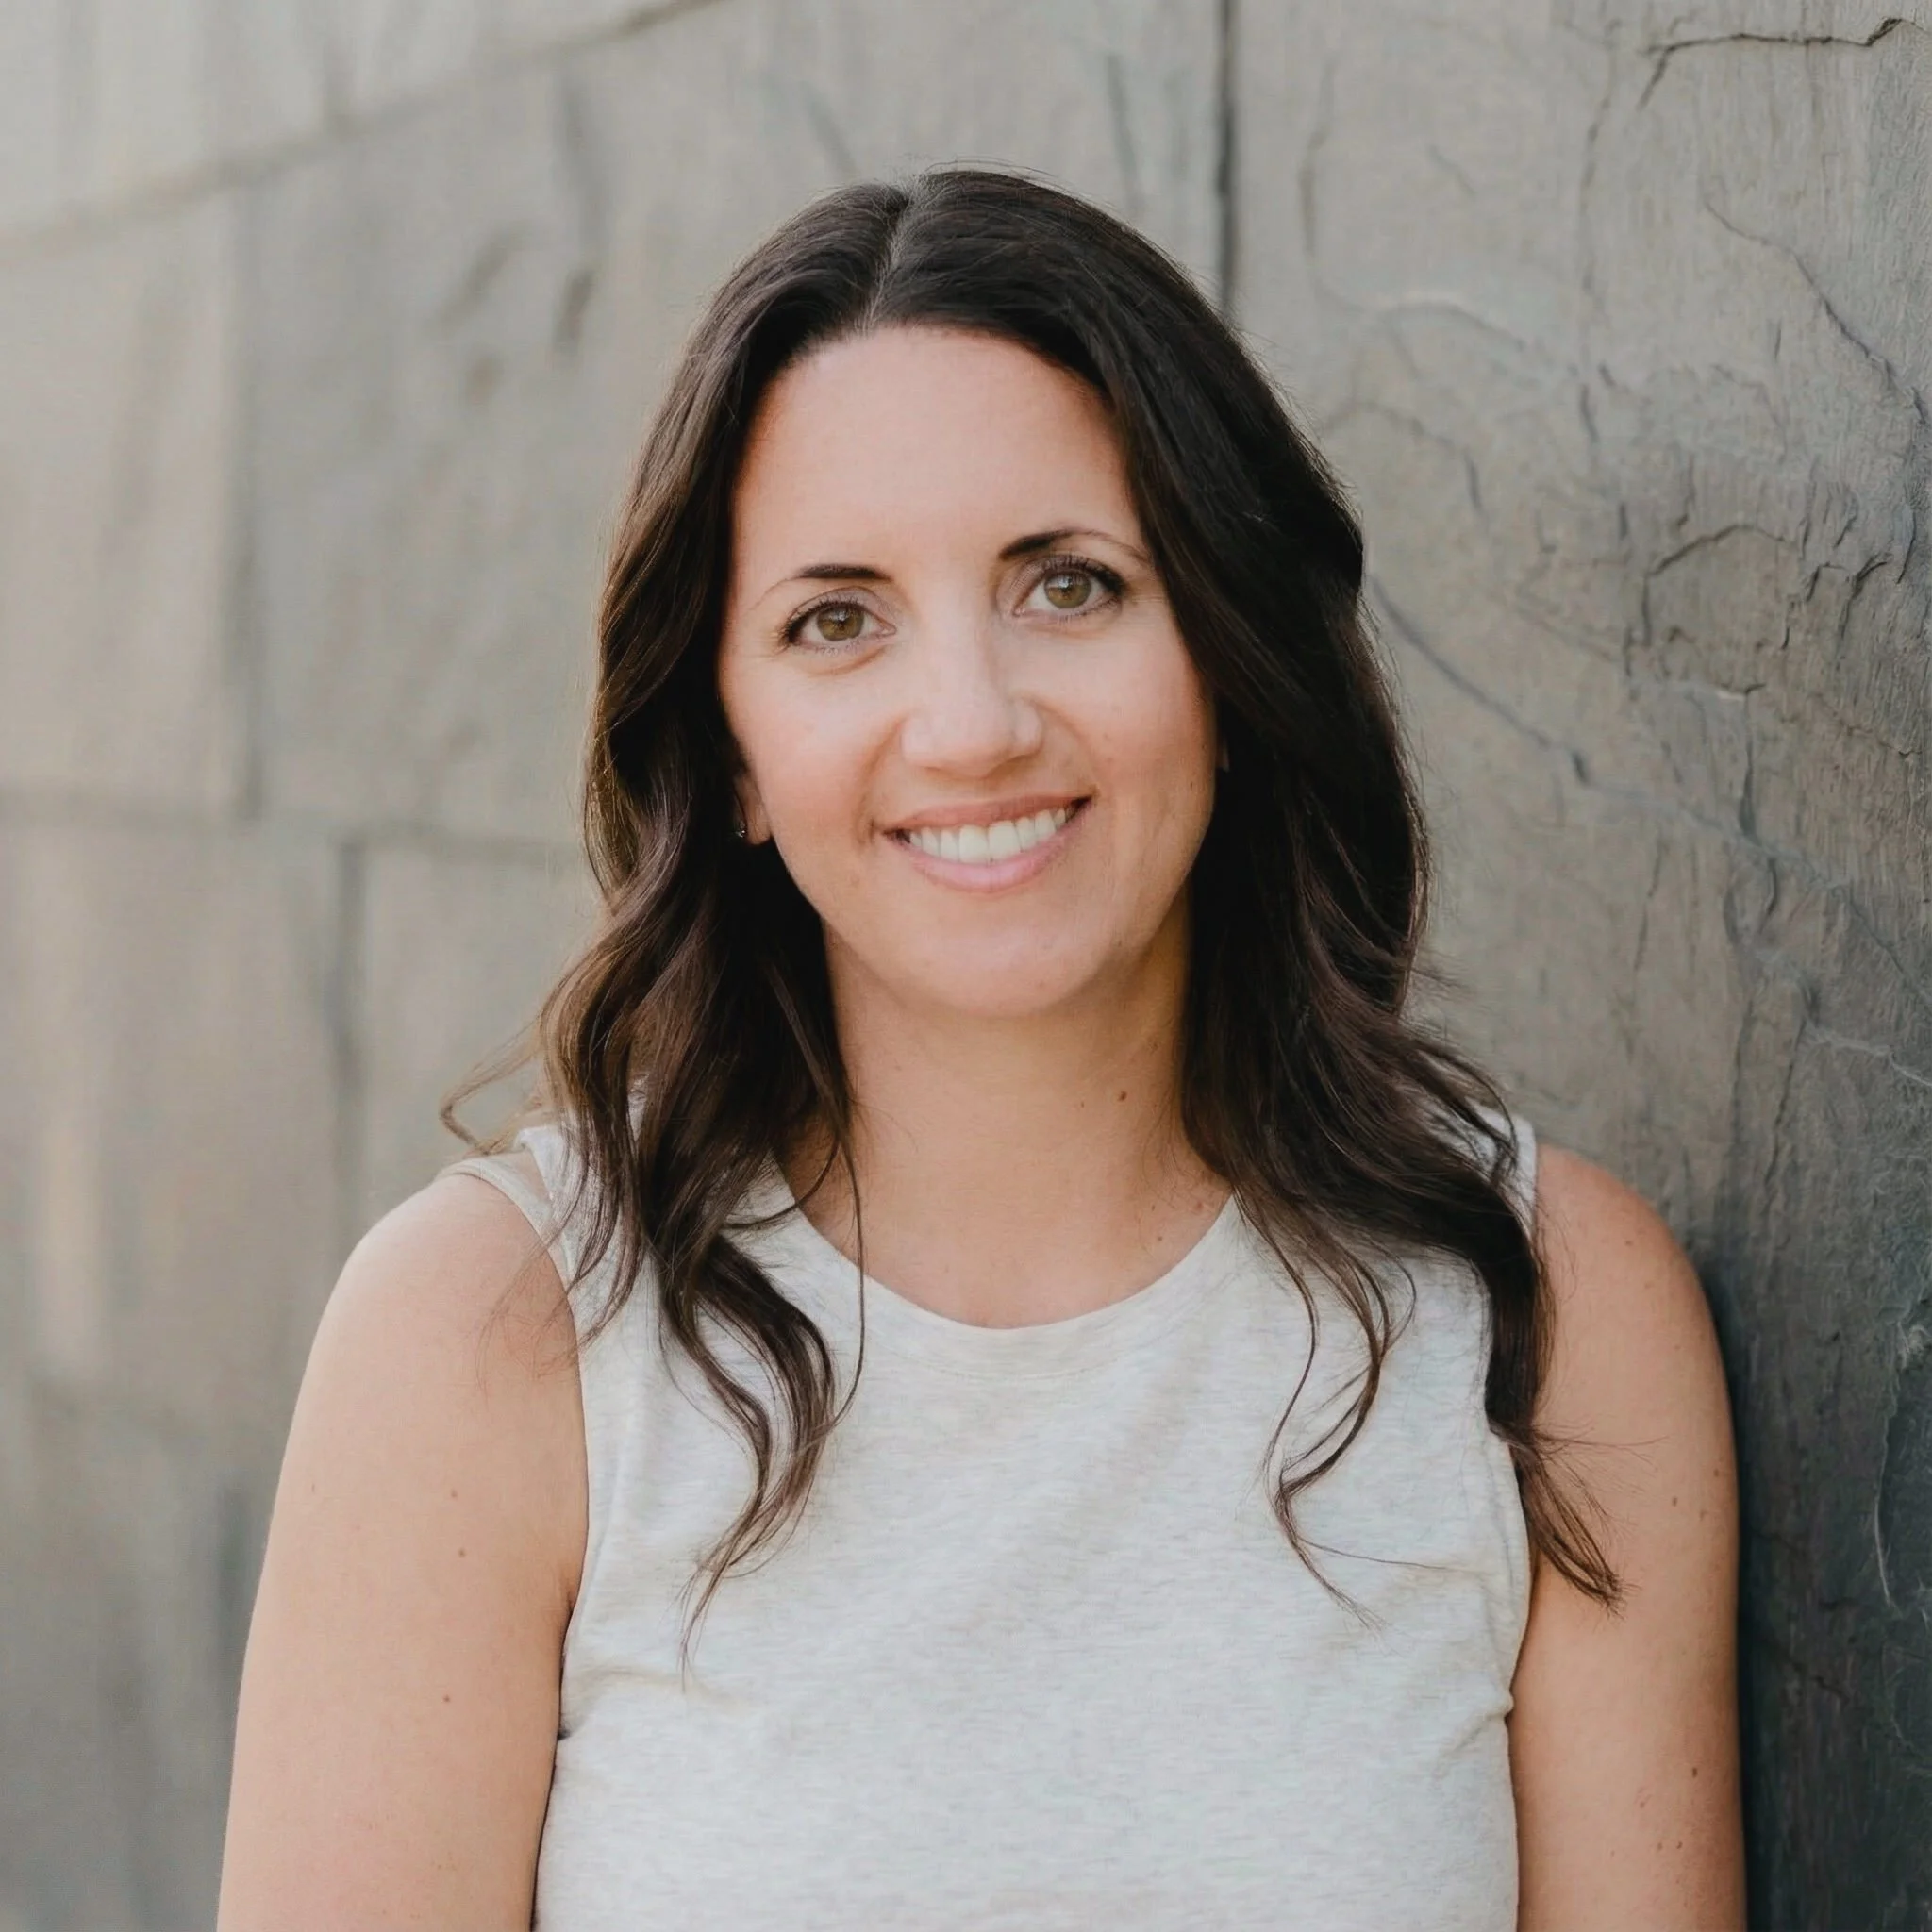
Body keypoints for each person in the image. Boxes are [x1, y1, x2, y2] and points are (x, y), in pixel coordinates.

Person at [217, 170, 1742, 1930]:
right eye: (836, 621)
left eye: (1072, 585)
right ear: (727, 758)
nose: (972, 724)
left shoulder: (1554, 1321)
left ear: (1230, 660)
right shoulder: (495, 1343)